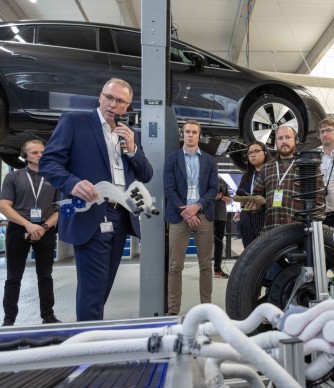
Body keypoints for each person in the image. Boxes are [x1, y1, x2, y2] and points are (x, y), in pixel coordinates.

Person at [39, 78, 153, 322]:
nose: (113, 104)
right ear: (100, 96)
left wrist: (133, 149)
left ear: (128, 107)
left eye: (120, 101)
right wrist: (72, 183)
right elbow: (48, 162)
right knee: (92, 290)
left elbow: (146, 174)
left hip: (121, 216)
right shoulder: (75, 122)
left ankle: (87, 338)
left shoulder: (130, 135)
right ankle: (88, 350)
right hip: (91, 214)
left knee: (102, 287)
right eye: (108, 97)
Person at [0, 140, 60, 326]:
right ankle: (9, 320)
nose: (40, 155)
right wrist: (28, 225)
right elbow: (4, 206)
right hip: (19, 228)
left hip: (45, 229)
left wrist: (43, 228)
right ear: (24, 156)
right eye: (34, 152)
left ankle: (48, 316)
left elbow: (59, 210)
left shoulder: (54, 178)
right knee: (13, 277)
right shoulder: (13, 177)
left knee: (45, 276)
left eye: (42, 152)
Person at [164, 120, 218, 312]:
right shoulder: (172, 159)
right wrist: (186, 212)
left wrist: (197, 206)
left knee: (205, 265)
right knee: (175, 266)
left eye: (194, 132)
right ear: (182, 134)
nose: (190, 135)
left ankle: (206, 307)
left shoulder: (210, 160)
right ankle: (173, 309)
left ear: (199, 135)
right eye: (187, 131)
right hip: (179, 217)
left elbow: (214, 189)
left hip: (203, 216)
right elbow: (168, 189)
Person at [249, 126, 324, 231]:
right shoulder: (266, 168)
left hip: (299, 233)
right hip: (272, 232)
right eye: (280, 138)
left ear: (296, 140)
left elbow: (319, 204)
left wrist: (313, 231)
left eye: (288, 137)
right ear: (276, 142)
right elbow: (256, 196)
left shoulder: (308, 167)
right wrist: (254, 205)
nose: (284, 141)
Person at [238, 141, 272, 247]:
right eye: (250, 153)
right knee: (248, 252)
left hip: (264, 216)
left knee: (263, 251)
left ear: (265, 153)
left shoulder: (272, 173)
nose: (252, 154)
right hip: (247, 216)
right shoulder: (246, 176)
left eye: (256, 151)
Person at [317, 118, 334, 231]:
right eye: (322, 131)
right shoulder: (313, 156)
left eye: (328, 130)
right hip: (318, 213)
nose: (325, 134)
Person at [213, 177, 231, 279]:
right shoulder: (203, 178)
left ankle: (217, 269)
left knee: (219, 243)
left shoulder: (222, 181)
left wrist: (221, 197)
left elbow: (229, 199)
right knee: (204, 243)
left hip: (220, 216)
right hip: (207, 215)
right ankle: (204, 269)